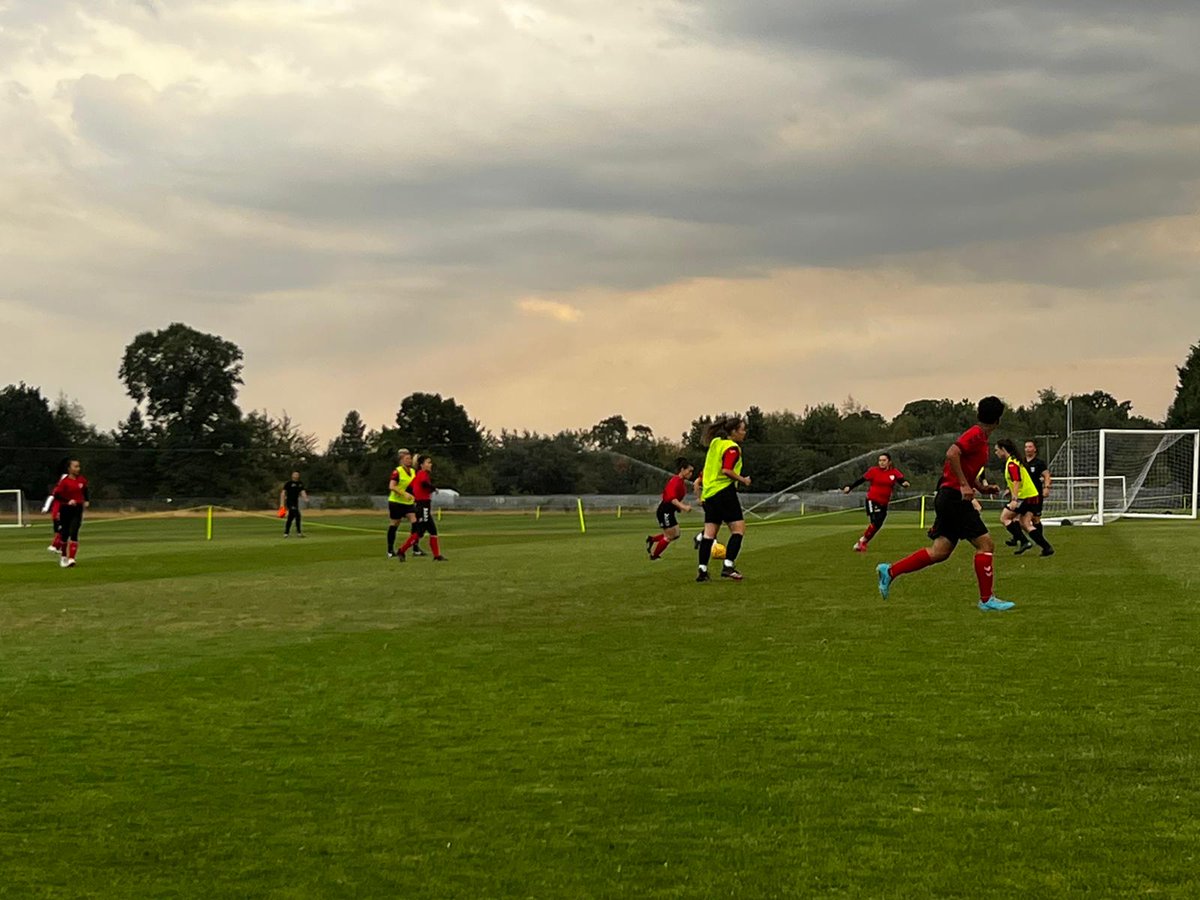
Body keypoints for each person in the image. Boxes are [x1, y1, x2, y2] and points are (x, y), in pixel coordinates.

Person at [876, 397, 1015, 611]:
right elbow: (952, 453)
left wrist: (981, 487)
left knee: (940, 551)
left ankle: (890, 571)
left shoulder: (979, 436)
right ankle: (987, 600)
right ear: (998, 420)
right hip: (953, 498)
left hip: (949, 495)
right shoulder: (976, 434)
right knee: (986, 544)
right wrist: (963, 485)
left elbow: (965, 467)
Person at [695, 417, 751, 583]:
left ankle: (702, 570)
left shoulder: (716, 443)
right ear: (733, 432)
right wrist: (743, 480)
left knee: (709, 534)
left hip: (710, 494)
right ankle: (728, 566)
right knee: (738, 529)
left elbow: (710, 465)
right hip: (724, 492)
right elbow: (726, 470)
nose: (744, 432)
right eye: (742, 429)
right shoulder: (732, 448)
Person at [996, 440, 1054, 557]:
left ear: (1003, 449)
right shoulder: (1015, 461)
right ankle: (1046, 547)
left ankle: (1023, 541)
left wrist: (1014, 499)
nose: (996, 452)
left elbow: (1017, 480)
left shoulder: (1012, 463)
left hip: (1025, 496)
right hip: (1030, 495)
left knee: (1005, 518)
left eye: (997, 450)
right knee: (1025, 523)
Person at [842, 452, 910, 552]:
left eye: (884, 460)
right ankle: (861, 542)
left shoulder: (894, 472)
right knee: (875, 521)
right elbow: (861, 480)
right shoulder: (873, 471)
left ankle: (862, 542)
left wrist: (905, 483)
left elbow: (901, 480)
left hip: (884, 502)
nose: (881, 463)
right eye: (880, 460)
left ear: (889, 462)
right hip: (872, 500)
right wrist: (850, 487)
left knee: (878, 525)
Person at [396, 454, 447, 561]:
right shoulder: (423, 474)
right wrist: (433, 488)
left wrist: (413, 496)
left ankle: (437, 555)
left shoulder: (419, 474)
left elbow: (410, 487)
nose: (430, 464)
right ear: (422, 465)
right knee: (420, 532)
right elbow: (424, 484)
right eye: (428, 462)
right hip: (423, 506)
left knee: (433, 531)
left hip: (423, 506)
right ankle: (401, 550)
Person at [646, 458, 694, 560]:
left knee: (676, 534)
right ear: (682, 469)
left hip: (669, 510)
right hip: (665, 511)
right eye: (689, 471)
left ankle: (652, 539)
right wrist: (683, 507)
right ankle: (654, 555)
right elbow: (672, 499)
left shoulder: (681, 482)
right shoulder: (675, 481)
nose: (691, 474)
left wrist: (678, 508)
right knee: (669, 536)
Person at [51, 458, 89, 569]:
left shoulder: (82, 480)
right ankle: (63, 557)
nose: (78, 468)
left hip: (77, 509)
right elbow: (57, 495)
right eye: (75, 466)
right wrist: (68, 501)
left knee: (74, 532)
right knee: (65, 534)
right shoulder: (65, 482)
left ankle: (72, 558)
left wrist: (86, 500)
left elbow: (85, 490)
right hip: (66, 509)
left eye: (78, 466)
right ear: (69, 468)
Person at [1018, 439, 1053, 551]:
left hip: (1036, 495)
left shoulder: (1039, 463)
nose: (1027, 449)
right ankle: (1041, 543)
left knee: (1034, 519)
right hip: (1024, 494)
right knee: (1026, 519)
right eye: (1026, 447)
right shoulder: (1021, 462)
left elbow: (1046, 475)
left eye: (1030, 447)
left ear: (1034, 449)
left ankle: (1042, 543)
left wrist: (1046, 488)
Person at [386, 449, 419, 560]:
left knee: (415, 522)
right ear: (401, 460)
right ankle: (390, 550)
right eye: (407, 459)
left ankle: (415, 547)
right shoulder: (397, 471)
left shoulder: (413, 471)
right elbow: (392, 486)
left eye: (410, 458)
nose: (409, 461)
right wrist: (404, 493)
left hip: (408, 503)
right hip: (396, 502)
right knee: (395, 524)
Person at [280, 471, 308, 538]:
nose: (296, 476)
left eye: (297, 475)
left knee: (290, 517)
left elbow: (303, 492)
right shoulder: (288, 483)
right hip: (289, 502)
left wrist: (305, 498)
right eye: (295, 474)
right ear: (292, 476)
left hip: (295, 502)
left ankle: (286, 533)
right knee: (297, 515)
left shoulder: (300, 483)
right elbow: (283, 493)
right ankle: (299, 533)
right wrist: (282, 504)